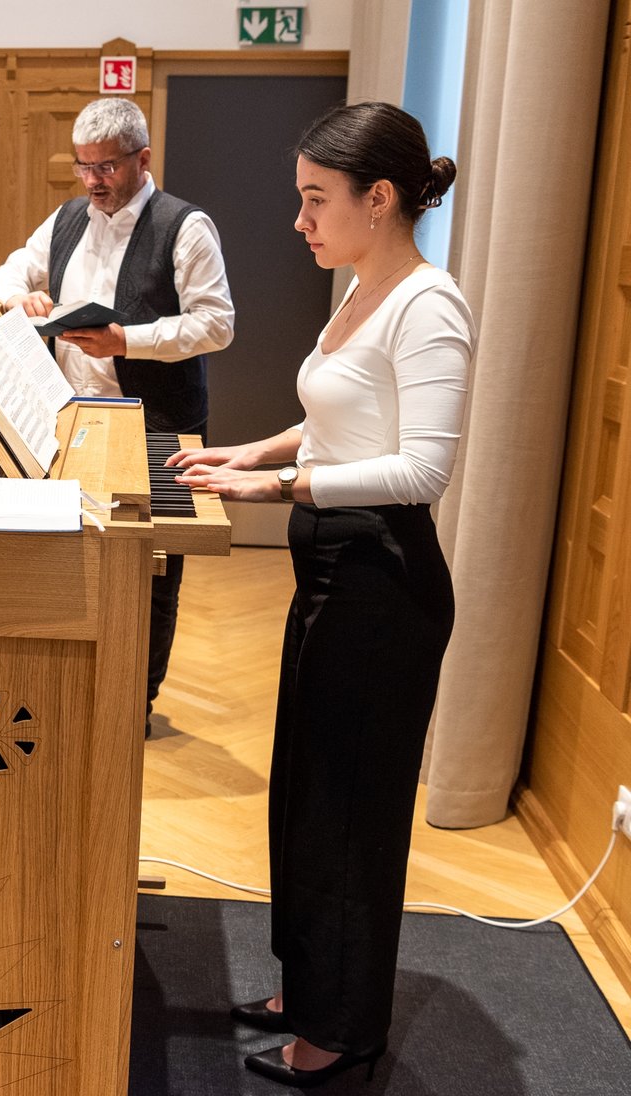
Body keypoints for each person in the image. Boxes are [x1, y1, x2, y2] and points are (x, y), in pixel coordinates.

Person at [169, 101, 476, 1087]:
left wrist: (277, 487)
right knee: (306, 795)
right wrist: (251, 449)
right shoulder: (360, 288)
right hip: (332, 576)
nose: (298, 220)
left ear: (378, 198)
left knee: (349, 816)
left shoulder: (429, 305)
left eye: (315, 200)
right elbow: (337, 417)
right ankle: (307, 987)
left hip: (385, 589)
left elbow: (421, 469)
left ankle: (341, 1029)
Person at [0, 96, 233, 732]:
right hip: (71, 417)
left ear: (142, 159)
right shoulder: (69, 216)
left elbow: (217, 324)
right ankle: (74, 693)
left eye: (107, 167)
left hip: (156, 418)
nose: (93, 180)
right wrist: (21, 299)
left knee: (150, 569)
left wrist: (129, 340)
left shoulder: (185, 226)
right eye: (83, 166)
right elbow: (6, 275)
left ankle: (132, 707)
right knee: (69, 560)